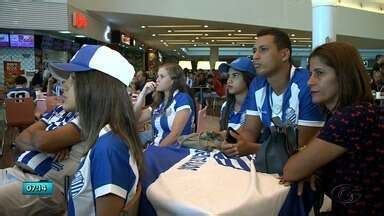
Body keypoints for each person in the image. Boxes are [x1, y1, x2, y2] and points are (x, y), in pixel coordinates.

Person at [283, 42, 383, 215]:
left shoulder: (351, 117)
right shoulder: (354, 113)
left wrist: (306, 167)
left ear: (344, 76)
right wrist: (310, 168)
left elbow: (291, 170)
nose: (309, 82)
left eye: (319, 73)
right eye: (310, 73)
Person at [50, 44, 143, 216]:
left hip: (39, 187)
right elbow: (22, 139)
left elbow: (37, 140)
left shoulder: (107, 146)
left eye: (74, 78)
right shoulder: (100, 134)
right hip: (35, 180)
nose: (64, 85)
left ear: (96, 88)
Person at [221, 28, 324, 157]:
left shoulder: (307, 84)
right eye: (254, 51)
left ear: (284, 55)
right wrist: (235, 144)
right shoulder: (257, 84)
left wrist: (251, 148)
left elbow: (300, 144)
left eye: (263, 50)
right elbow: (250, 130)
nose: (255, 56)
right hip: (272, 160)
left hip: (307, 165)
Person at [0, 103, 83, 215]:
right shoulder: (60, 110)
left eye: (70, 85)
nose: (64, 87)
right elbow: (21, 139)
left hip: (47, 187)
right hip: (16, 171)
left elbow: (42, 142)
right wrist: (52, 142)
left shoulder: (88, 116)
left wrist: (46, 140)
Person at [134, 63, 195, 147]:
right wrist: (142, 94)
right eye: (157, 76)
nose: (157, 80)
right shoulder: (160, 101)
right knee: (118, 139)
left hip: (175, 150)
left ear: (173, 80)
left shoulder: (182, 100)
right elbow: (135, 119)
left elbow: (175, 135)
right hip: (156, 144)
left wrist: (155, 151)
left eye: (162, 76)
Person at [218, 57, 256, 131]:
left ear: (248, 78)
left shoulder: (257, 108)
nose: (229, 81)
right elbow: (222, 135)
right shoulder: (225, 106)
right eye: (228, 76)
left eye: (235, 75)